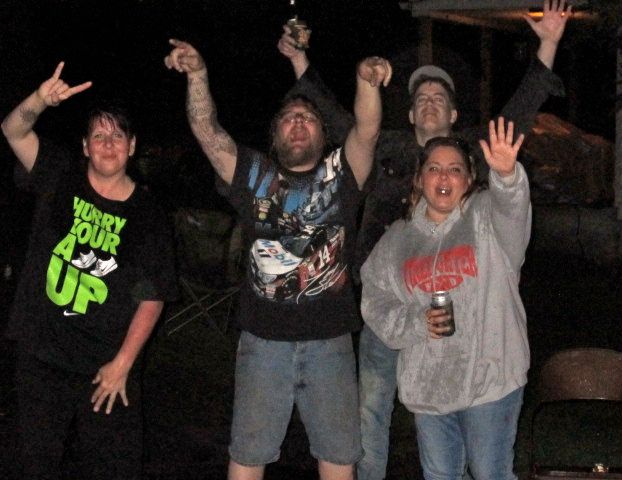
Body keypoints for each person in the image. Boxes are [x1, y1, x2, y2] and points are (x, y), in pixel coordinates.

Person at [278, 1, 570, 477]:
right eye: (421, 97)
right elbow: (336, 119)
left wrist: (550, 44)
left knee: (459, 415)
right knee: (372, 406)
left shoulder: (470, 158)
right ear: (411, 113)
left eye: (440, 96)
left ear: (454, 113)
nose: (430, 101)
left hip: (458, 313)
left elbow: (515, 120)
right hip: (390, 301)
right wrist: (298, 60)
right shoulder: (385, 148)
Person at [164, 40, 391, 480]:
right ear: (275, 136)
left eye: (308, 117)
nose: (298, 123)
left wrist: (366, 80)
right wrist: (198, 75)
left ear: (324, 135)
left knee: (339, 456)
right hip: (262, 343)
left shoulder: (343, 174)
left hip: (331, 343)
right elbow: (207, 131)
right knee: (248, 455)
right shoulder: (253, 174)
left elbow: (367, 129)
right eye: (289, 118)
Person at [2, 62, 177, 479]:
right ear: (85, 146)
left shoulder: (148, 214)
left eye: (117, 136)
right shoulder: (60, 175)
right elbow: (13, 131)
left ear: (132, 146)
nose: (108, 144)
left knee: (115, 468)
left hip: (106, 368)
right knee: (36, 464)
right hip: (42, 356)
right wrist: (39, 100)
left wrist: (123, 364)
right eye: (99, 135)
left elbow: (153, 296)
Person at [360, 117, 529, 479]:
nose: (443, 176)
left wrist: (507, 177)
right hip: (430, 386)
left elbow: (512, 209)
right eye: (434, 168)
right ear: (419, 180)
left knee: (489, 473)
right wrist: (414, 323)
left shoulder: (486, 218)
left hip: (490, 379)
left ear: (468, 180)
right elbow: (374, 297)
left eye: (455, 169)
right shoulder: (398, 239)